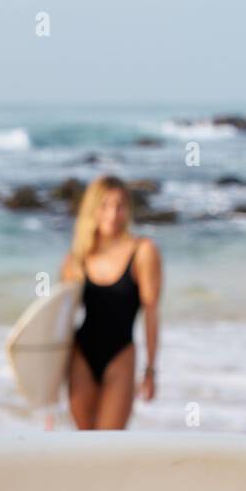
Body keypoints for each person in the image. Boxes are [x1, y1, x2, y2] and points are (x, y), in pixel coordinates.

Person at [59, 176, 162, 430]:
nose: (112, 214)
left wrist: (150, 370)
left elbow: (151, 312)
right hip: (81, 355)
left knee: (109, 442)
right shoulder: (76, 258)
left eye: (120, 206)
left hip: (121, 355)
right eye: (104, 205)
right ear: (92, 209)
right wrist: (48, 386)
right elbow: (58, 319)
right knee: (84, 442)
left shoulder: (143, 252)